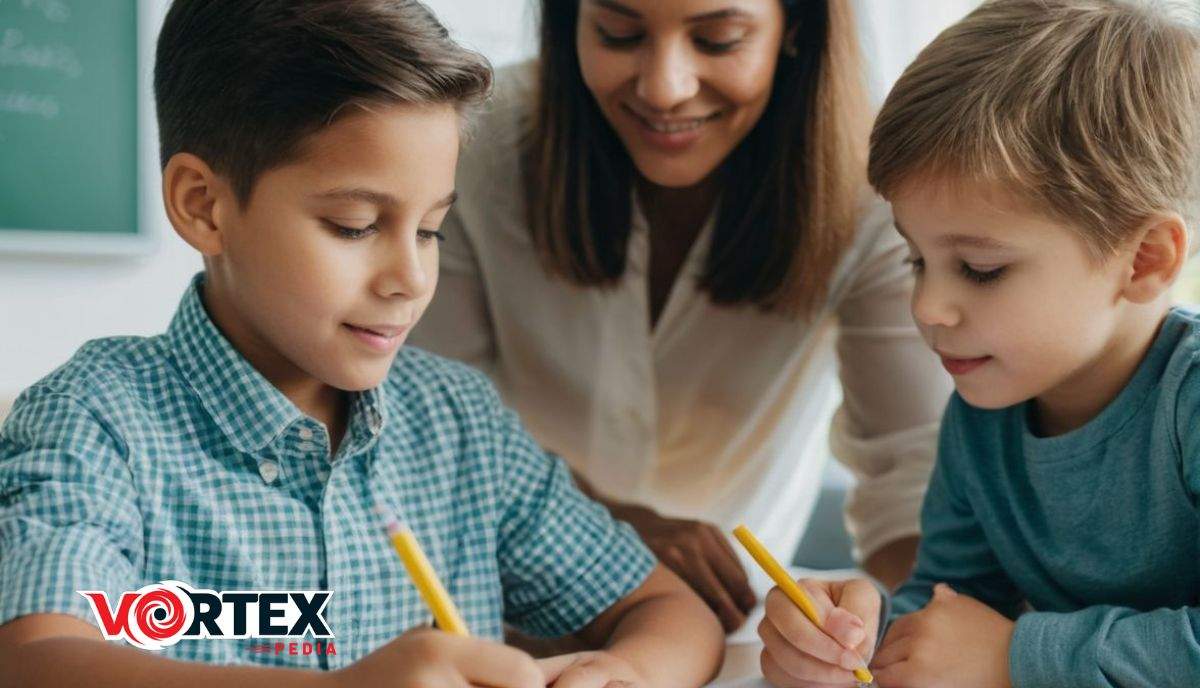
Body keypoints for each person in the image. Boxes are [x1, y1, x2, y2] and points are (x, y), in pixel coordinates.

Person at [0, 2, 725, 686]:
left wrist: (629, 673)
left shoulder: (461, 424)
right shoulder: (95, 418)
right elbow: (37, 662)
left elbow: (665, 610)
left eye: (431, 229)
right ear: (204, 205)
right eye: (354, 225)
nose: (410, 278)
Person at [409, 0, 952, 631]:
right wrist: (607, 531)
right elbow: (432, 431)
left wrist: (906, 627)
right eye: (619, 34)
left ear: (796, 28)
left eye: (719, 40)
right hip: (483, 608)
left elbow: (909, 477)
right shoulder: (472, 148)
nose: (665, 88)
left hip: (718, 625)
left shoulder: (876, 190)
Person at [757, 1, 1200, 686]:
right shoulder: (984, 412)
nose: (927, 307)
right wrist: (854, 637)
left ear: (1143, 260)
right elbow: (954, 608)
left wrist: (1018, 656)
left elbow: (994, 649)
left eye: (980, 269)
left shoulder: (1189, 403)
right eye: (915, 260)